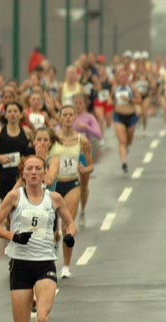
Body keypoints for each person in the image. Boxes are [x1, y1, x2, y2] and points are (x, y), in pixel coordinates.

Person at [0, 154, 75, 322]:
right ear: (23, 173)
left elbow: (70, 222)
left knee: (44, 319)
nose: (34, 172)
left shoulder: (54, 198)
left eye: (38, 168)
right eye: (30, 169)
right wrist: (14, 236)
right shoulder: (15, 197)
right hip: (20, 264)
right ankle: (31, 299)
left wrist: (69, 235)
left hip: (45, 262)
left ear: (45, 172)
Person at [50, 104, 91, 279]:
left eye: (70, 115)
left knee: (68, 225)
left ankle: (66, 266)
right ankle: (52, 248)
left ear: (75, 117)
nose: (67, 118)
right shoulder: (52, 138)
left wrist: (84, 170)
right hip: (54, 185)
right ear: (59, 117)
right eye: (64, 114)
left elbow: (91, 165)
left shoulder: (82, 141)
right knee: (52, 229)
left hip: (72, 184)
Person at [0, 101, 34, 201]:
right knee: (6, 208)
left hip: (22, 175)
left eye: (15, 111)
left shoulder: (27, 132)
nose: (12, 114)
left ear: (21, 114)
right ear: (5, 115)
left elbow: (35, 150)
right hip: (5, 175)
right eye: (9, 111)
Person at [72, 94, 101, 228]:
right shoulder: (69, 117)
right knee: (71, 185)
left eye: (80, 103)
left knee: (83, 186)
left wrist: (86, 127)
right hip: (71, 155)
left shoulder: (89, 118)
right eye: (75, 103)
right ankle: (71, 213)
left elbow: (98, 134)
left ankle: (82, 211)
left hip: (84, 154)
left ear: (85, 104)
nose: (78, 106)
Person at [112, 68, 141, 173]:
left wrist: (130, 99)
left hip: (131, 116)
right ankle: (124, 163)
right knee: (121, 141)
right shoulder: (115, 89)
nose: (123, 79)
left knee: (129, 138)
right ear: (118, 78)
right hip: (119, 116)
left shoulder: (131, 88)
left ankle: (127, 146)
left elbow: (139, 100)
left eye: (125, 77)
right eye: (121, 77)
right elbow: (111, 100)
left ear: (128, 78)